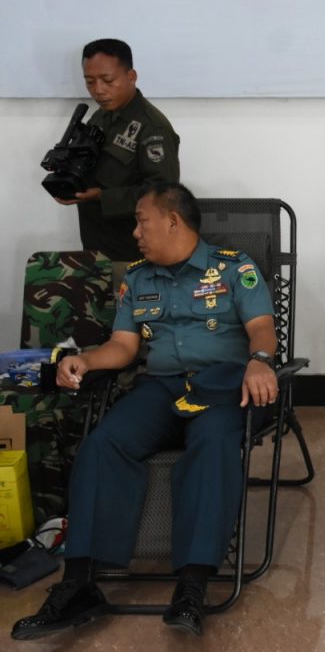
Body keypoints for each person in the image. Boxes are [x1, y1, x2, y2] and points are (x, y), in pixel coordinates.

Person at [11, 180, 277, 640]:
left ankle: (192, 584)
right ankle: (79, 584)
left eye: (141, 221)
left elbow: (262, 327)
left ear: (172, 221)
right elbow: (123, 346)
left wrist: (260, 361)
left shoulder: (235, 268)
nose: (135, 232)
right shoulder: (136, 278)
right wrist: (86, 360)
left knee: (212, 445)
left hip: (221, 386)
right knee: (103, 444)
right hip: (160, 388)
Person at [53, 39, 180, 263]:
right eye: (90, 82)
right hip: (97, 241)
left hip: (133, 248)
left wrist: (103, 197)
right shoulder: (101, 116)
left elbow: (162, 192)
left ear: (131, 76)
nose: (98, 90)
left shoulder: (152, 127)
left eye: (108, 80)